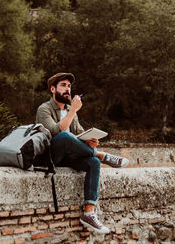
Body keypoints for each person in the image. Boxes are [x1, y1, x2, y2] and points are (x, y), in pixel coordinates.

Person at [36, 72, 129, 234]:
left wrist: (90, 140)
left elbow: (79, 133)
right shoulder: (44, 109)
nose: (67, 90)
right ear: (53, 89)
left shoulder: (71, 110)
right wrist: (72, 111)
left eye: (69, 86)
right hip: (51, 156)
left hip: (69, 157)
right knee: (64, 136)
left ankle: (89, 212)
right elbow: (54, 132)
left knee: (93, 163)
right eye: (63, 86)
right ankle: (101, 154)